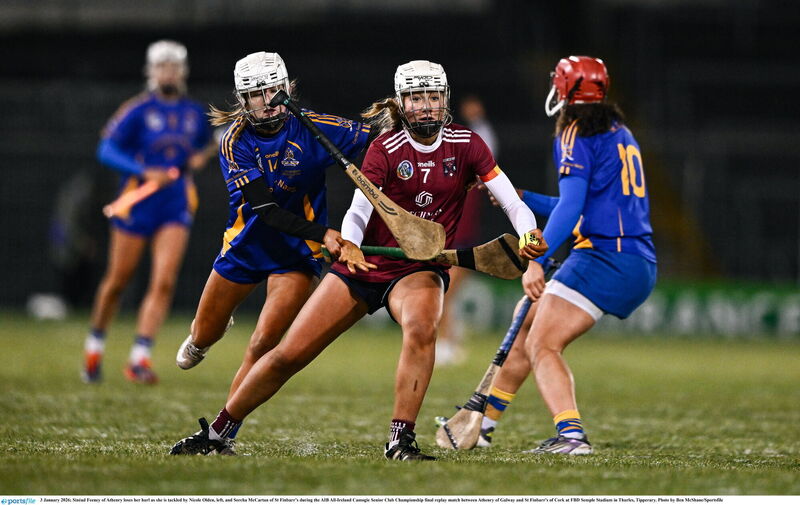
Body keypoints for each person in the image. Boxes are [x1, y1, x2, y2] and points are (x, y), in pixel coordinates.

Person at [169, 60, 548, 460]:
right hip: (362, 263)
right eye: (416, 98)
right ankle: (217, 433)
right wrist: (348, 244)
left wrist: (528, 233)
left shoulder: (467, 145)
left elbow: (510, 200)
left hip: (419, 267)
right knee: (287, 354)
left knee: (422, 329)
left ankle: (400, 441)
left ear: (445, 100)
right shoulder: (385, 149)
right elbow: (357, 211)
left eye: (433, 97)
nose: (425, 107)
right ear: (402, 103)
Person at [466, 56, 657, 454]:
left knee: (542, 345)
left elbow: (572, 210)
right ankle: (480, 425)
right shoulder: (619, 132)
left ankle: (572, 437)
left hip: (603, 257)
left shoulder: (573, 132)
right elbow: (586, 204)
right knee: (527, 329)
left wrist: (534, 257)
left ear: (567, 92)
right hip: (636, 260)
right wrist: (523, 198)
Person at [173, 51, 373, 419]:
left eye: (272, 91)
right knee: (204, 334)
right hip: (247, 245)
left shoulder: (314, 127)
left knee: (264, 343)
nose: (266, 102)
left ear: (287, 89)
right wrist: (326, 233)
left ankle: (221, 429)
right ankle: (203, 338)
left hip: (297, 253)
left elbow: (376, 141)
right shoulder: (235, 142)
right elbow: (265, 211)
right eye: (255, 95)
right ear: (242, 99)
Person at [82, 40, 214, 384]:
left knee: (164, 280)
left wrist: (205, 153)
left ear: (182, 72)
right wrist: (142, 170)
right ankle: (94, 347)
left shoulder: (192, 113)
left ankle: (139, 358)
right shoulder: (137, 110)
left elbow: (213, 139)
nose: (167, 72)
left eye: (173, 66)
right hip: (137, 202)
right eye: (161, 66)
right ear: (151, 72)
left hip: (175, 204)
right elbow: (106, 149)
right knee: (118, 281)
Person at [436, 95, 499, 365]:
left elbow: (487, 144)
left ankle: (448, 343)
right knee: (445, 293)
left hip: (460, 239)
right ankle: (452, 339)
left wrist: (477, 120)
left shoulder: (472, 172)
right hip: (453, 237)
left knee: (444, 293)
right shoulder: (446, 174)